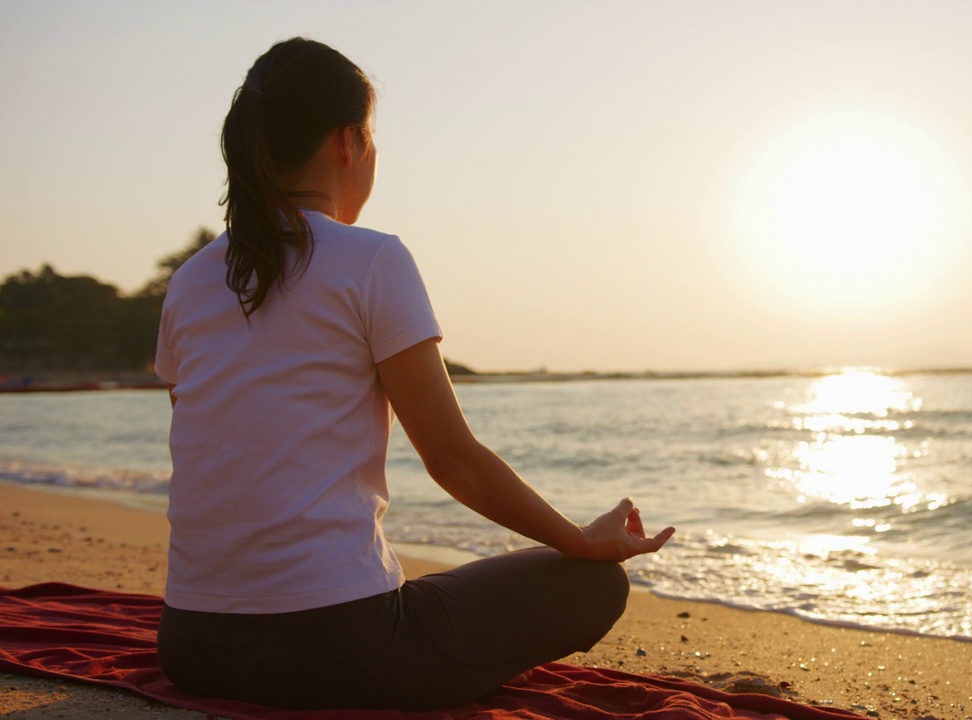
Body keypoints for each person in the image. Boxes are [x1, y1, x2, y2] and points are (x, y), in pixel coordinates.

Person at [154, 37, 674, 711]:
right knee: (593, 585)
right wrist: (581, 540)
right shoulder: (370, 260)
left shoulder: (190, 281)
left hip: (193, 647)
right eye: (371, 137)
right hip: (338, 652)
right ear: (349, 143)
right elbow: (453, 461)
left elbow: (218, 449)